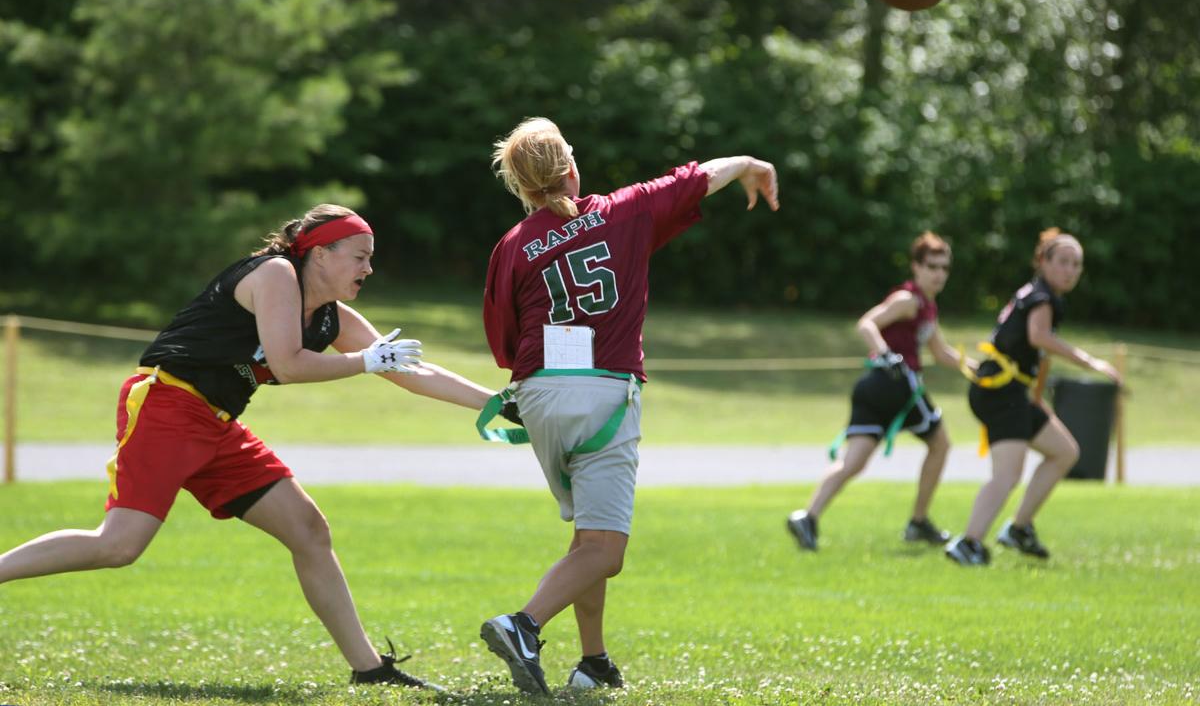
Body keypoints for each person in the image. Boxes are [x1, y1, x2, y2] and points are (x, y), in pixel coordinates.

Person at [0, 204, 496, 686]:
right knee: (118, 545)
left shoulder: (331, 317)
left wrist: (494, 403)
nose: (369, 268)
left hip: (217, 422)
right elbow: (289, 364)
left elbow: (407, 369)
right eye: (360, 256)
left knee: (308, 530)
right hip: (168, 404)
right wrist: (366, 361)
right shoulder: (276, 274)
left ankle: (369, 671)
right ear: (320, 254)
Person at [478, 117, 779, 694]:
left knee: (588, 538)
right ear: (571, 166)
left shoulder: (511, 245)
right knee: (606, 551)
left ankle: (593, 661)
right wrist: (748, 163)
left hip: (538, 392)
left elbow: (503, 343)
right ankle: (523, 625)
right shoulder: (623, 210)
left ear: (520, 186)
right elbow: (695, 177)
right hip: (603, 390)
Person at [787, 232, 975, 552]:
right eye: (932, 266)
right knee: (940, 444)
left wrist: (977, 368)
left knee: (854, 462)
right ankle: (918, 523)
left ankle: (808, 517)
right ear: (916, 267)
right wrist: (885, 353)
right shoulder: (907, 299)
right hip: (894, 385)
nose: (939, 274)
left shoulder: (927, 305)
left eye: (944, 267)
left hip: (878, 388)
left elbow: (941, 352)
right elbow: (866, 323)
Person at [944, 228, 1121, 566]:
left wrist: (1036, 398)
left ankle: (1019, 528)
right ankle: (968, 543)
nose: (1070, 270)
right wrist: (1091, 362)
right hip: (1000, 392)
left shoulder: (1042, 295)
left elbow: (1036, 355)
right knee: (1007, 475)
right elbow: (1039, 337)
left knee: (1064, 452)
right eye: (1063, 262)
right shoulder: (1041, 297)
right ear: (1043, 262)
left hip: (1012, 392)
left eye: (1076, 264)